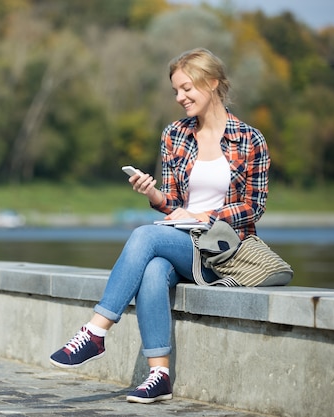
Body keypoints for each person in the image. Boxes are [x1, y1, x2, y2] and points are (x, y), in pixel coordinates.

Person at [49, 47, 270, 404]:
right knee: (153, 268)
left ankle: (95, 332)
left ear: (212, 83)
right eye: (176, 91)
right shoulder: (175, 135)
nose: (180, 98)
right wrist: (153, 194)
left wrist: (203, 217)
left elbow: (253, 208)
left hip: (221, 252)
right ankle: (159, 375)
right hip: (181, 243)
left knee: (143, 236)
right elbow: (172, 206)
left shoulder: (250, 140)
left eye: (186, 89)